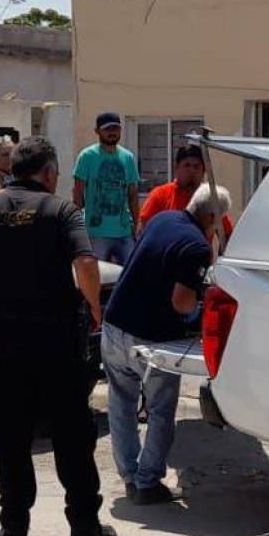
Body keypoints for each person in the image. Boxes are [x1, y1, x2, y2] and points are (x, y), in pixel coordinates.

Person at [0, 136, 118, 536]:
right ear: (50, 172)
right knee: (72, 432)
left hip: (5, 341)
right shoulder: (60, 210)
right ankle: (84, 527)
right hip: (56, 339)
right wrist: (93, 306)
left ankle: (14, 529)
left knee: (10, 433)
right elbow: (87, 263)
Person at [103, 185, 230, 504]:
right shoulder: (196, 247)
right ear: (212, 217)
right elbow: (182, 303)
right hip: (149, 337)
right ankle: (147, 483)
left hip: (115, 323)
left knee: (121, 403)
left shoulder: (162, 219)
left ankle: (130, 475)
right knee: (160, 409)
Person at [73, 113, 140, 265]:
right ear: (97, 131)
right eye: (107, 129)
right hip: (96, 232)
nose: (112, 132)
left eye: (116, 128)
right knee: (97, 276)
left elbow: (133, 194)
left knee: (131, 274)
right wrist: (77, 228)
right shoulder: (87, 156)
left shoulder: (127, 157)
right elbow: (77, 193)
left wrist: (137, 225)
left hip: (124, 231)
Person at [138, 146, 233, 241]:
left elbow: (227, 234)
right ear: (177, 168)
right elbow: (143, 229)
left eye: (196, 167)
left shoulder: (210, 199)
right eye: (187, 165)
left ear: (203, 171)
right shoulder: (160, 194)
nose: (192, 171)